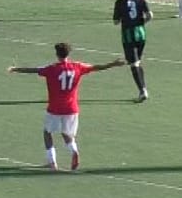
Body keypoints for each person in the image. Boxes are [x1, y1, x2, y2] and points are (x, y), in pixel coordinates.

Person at [7, 42, 125, 171]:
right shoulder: (77, 67)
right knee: (66, 133)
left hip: (54, 108)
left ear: (57, 54)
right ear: (68, 54)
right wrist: (113, 64)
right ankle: (74, 150)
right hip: (72, 109)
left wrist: (16, 69)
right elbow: (96, 67)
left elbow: (34, 70)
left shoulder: (51, 69)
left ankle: (52, 162)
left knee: (47, 133)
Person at [113, 0, 153, 101]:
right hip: (141, 34)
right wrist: (141, 23)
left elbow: (116, 21)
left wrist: (122, 19)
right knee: (137, 62)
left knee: (133, 64)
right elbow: (150, 15)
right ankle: (144, 87)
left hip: (128, 36)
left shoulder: (119, 2)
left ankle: (142, 91)